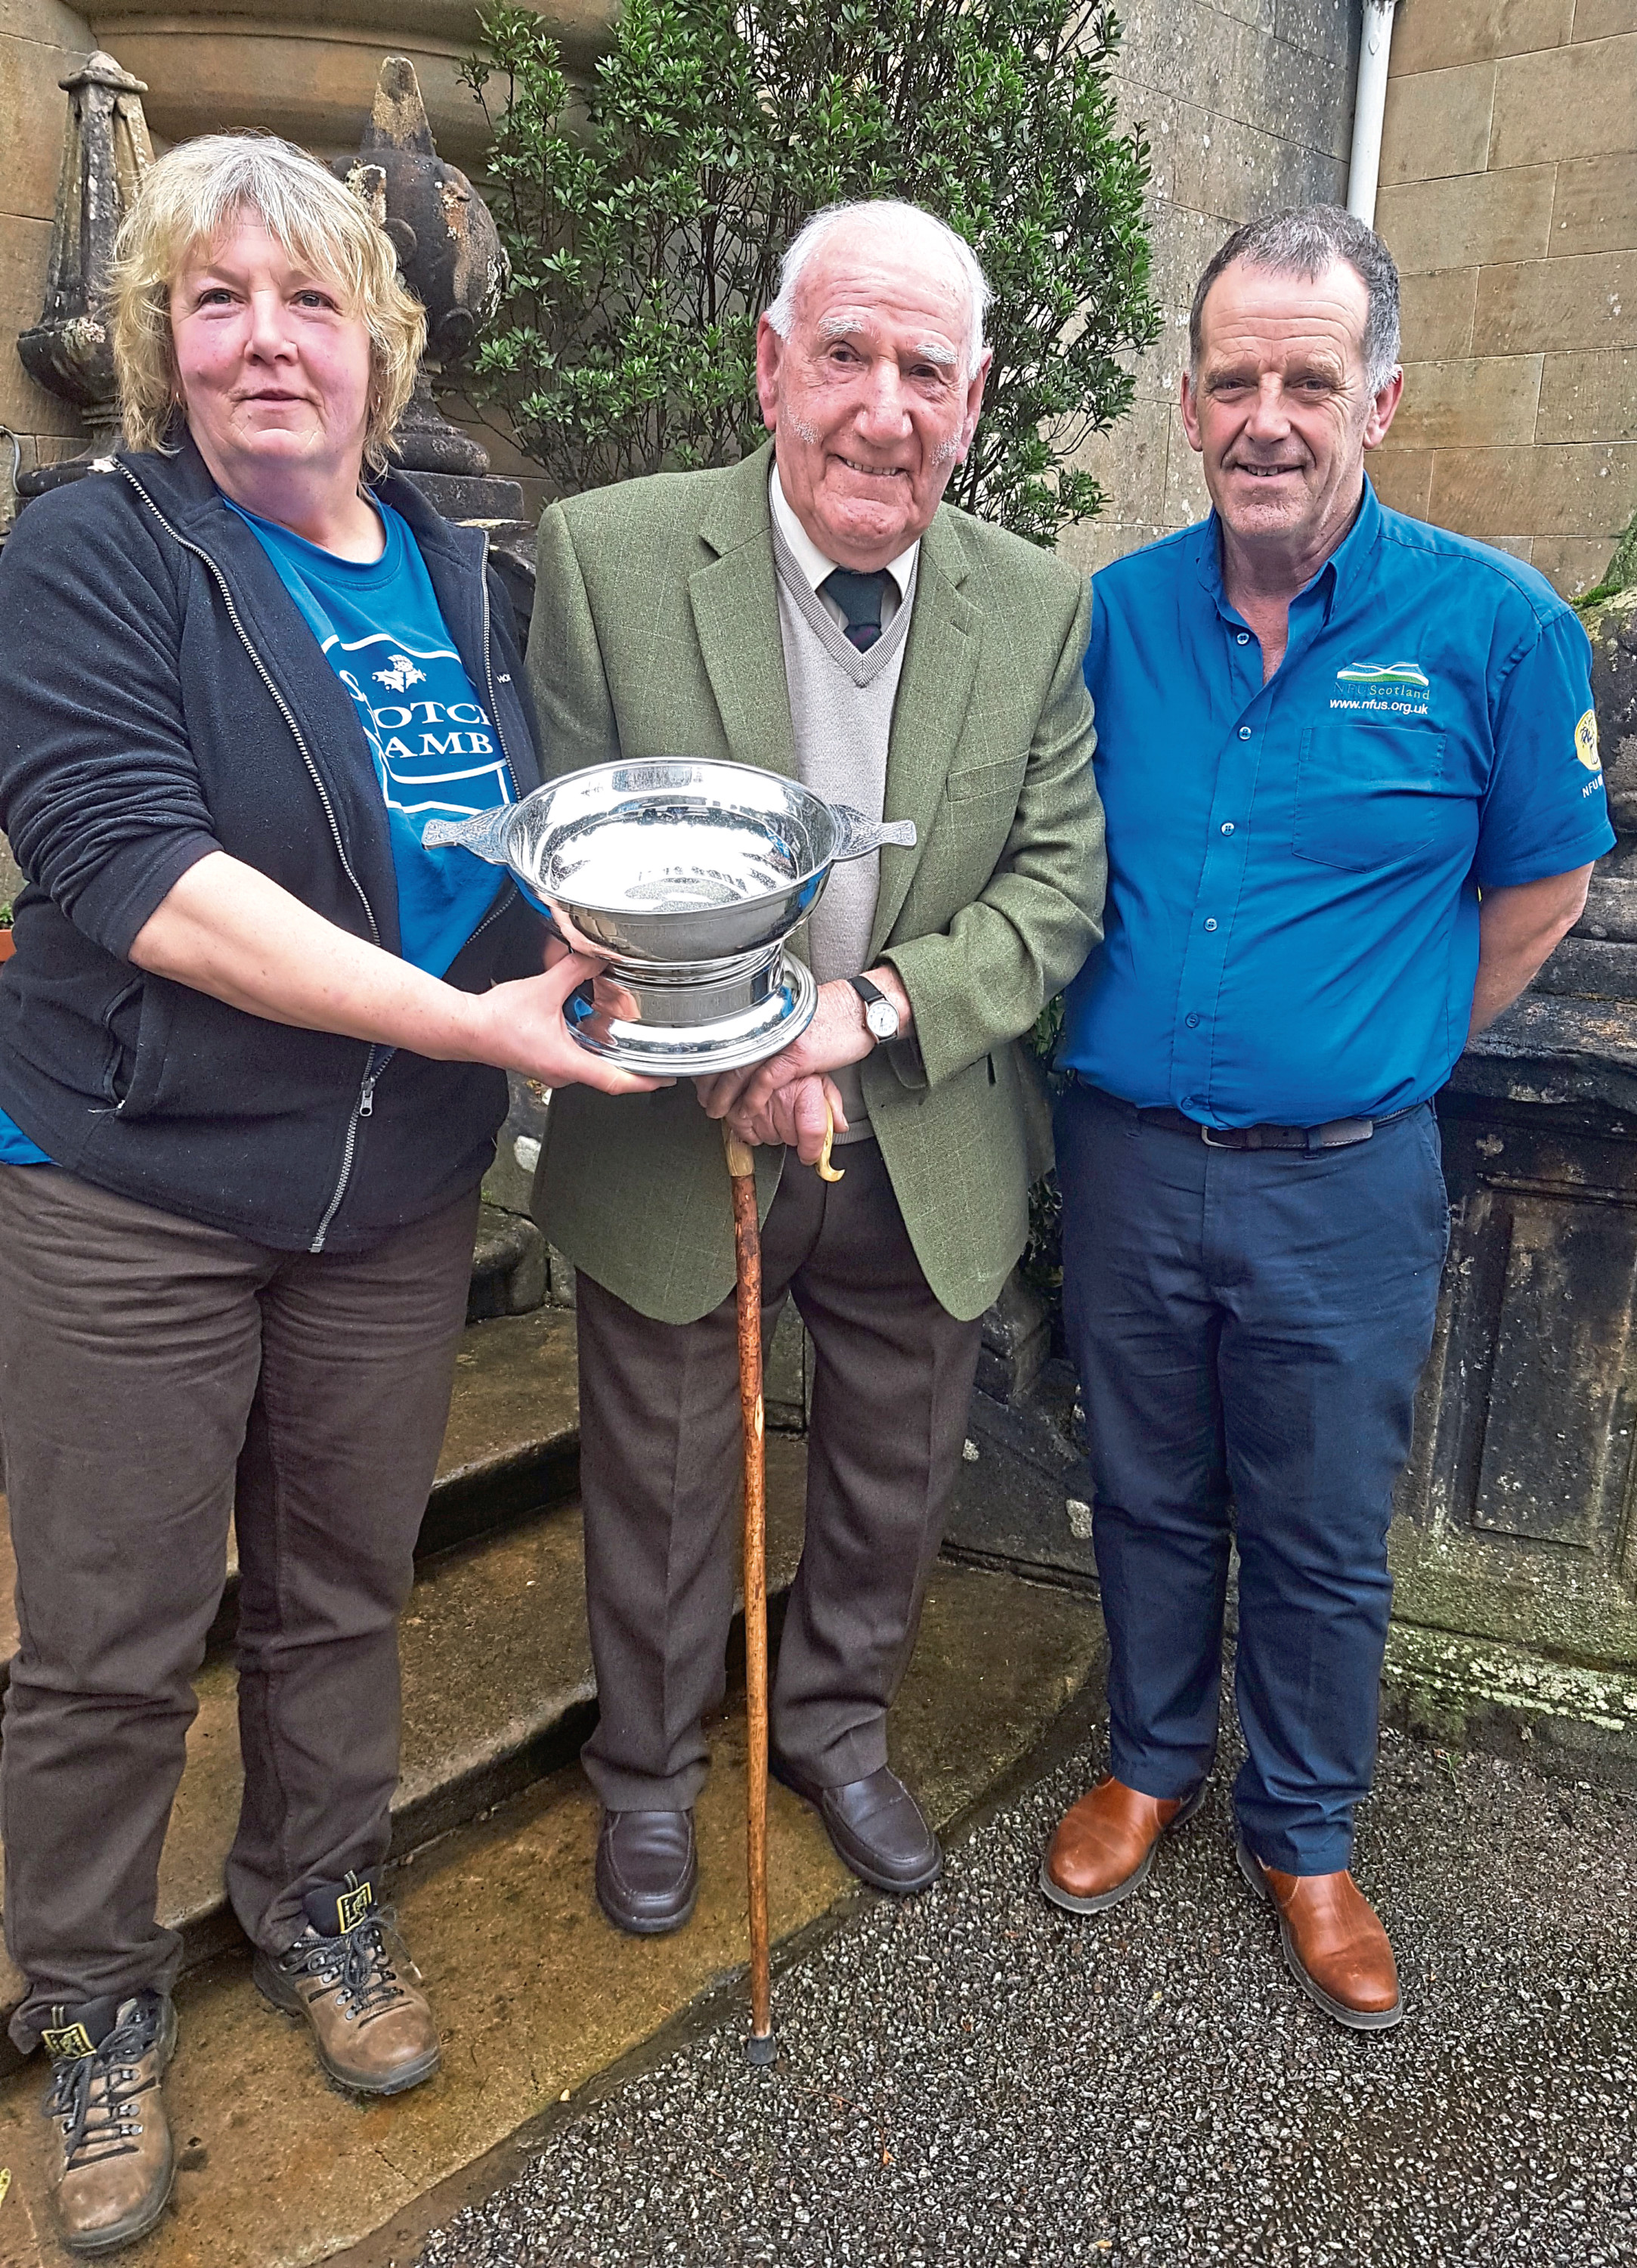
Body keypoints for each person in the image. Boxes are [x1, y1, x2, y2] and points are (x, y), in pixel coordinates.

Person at [0, 135, 652, 2255]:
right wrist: (482, 1036)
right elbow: (142, 880)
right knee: (104, 1645)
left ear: (383, 337)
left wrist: (605, 956)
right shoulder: (93, 553)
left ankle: (315, 1893)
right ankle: (91, 2005)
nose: (263, 341)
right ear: (161, 346)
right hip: (139, 1186)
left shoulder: (471, 580)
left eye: (305, 301)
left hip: (389, 1198)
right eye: (213, 301)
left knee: (339, 1591)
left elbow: (489, 872)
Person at [1040, 205, 1614, 2029]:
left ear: (1380, 396)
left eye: (1308, 378)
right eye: (1234, 381)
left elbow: (1544, 895)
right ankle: (1152, 1759)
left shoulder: (1500, 631)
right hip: (1127, 1162)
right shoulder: (1114, 620)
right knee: (1143, 1484)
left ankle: (1304, 1832)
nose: (1267, 416)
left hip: (1349, 1186)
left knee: (1320, 1525)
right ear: (1190, 408)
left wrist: (1377, 1046)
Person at [526, 199, 1106, 1935]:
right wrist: (742, 1041)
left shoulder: (1037, 603)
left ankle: (834, 1721)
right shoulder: (606, 555)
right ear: (771, 366)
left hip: (916, 1120)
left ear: (975, 396)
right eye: (844, 353)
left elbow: (1059, 879)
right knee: (664, 1471)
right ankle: (645, 1769)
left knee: (893, 1468)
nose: (883, 406)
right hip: (683, 1131)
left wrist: (868, 1016)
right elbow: (577, 862)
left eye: (925, 368)